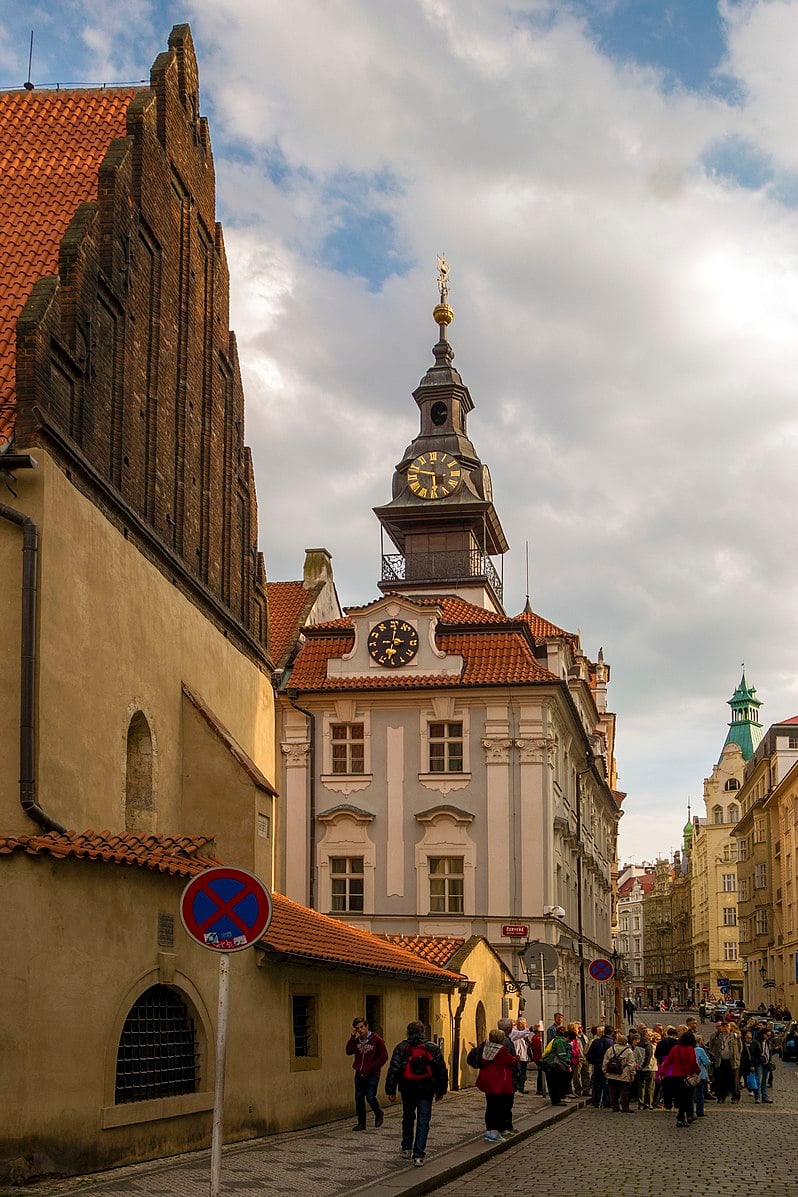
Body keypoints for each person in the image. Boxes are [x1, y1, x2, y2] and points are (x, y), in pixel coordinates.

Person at [385, 1020, 448, 1168]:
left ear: (408, 1032)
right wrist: (441, 1090)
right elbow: (441, 1071)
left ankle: (406, 1148)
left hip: (408, 1088)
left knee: (408, 1117)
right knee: (423, 1121)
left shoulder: (402, 1047)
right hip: (426, 1089)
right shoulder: (432, 1048)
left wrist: (390, 1090)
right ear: (423, 1032)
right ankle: (419, 1155)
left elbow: (393, 1069)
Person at [345, 1016, 389, 1131]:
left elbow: (384, 1056)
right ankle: (361, 1123)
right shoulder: (357, 1041)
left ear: (366, 1026)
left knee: (370, 1097)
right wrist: (352, 1037)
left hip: (372, 1074)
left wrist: (373, 1066)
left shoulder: (377, 1040)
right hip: (359, 1073)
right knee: (359, 1098)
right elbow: (349, 1051)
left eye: (361, 1027)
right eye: (357, 1028)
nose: (360, 1030)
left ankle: (378, 1113)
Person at [475, 1029, 519, 1141]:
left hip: (487, 1080)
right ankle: (495, 1133)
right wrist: (516, 1058)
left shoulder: (485, 1047)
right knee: (499, 1108)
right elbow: (511, 1061)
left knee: (490, 1107)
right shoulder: (501, 1050)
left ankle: (489, 1131)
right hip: (499, 1081)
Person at [657, 1030, 700, 1128]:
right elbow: (692, 1062)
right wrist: (697, 1071)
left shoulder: (675, 1048)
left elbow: (668, 1061)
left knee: (680, 1097)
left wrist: (662, 1072)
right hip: (686, 1076)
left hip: (675, 1076)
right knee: (687, 1097)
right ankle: (682, 1117)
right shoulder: (690, 1049)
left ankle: (686, 1116)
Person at [707, 1018, 741, 1103]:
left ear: (730, 1027)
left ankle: (735, 1097)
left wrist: (737, 1057)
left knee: (734, 1080)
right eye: (723, 1027)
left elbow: (740, 1047)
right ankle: (721, 1097)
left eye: (727, 1026)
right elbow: (711, 1047)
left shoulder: (734, 1036)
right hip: (721, 1060)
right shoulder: (717, 1037)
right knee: (721, 1080)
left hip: (732, 1061)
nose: (725, 1028)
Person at [539, 1024, 573, 1105]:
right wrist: (568, 1064)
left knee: (554, 1083)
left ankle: (556, 1098)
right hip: (552, 1065)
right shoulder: (560, 1041)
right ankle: (556, 1100)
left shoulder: (556, 1040)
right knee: (554, 1083)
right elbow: (561, 1055)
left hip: (551, 1064)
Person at [603, 1032, 637, 1112]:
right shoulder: (628, 1051)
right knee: (625, 1091)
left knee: (613, 1091)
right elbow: (631, 1064)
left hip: (612, 1074)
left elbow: (605, 1061)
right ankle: (625, 1107)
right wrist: (632, 1074)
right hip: (624, 1074)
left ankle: (615, 1106)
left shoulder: (611, 1049)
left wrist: (604, 1071)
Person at [587, 1025, 615, 1108]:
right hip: (609, 1066)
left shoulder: (596, 1042)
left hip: (598, 1065)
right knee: (608, 1084)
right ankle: (607, 1101)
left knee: (597, 1084)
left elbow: (590, 1055)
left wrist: (594, 1062)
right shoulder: (613, 1043)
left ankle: (596, 1101)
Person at [636, 1028, 657, 1110]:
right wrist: (643, 1065)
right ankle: (648, 1103)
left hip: (640, 1068)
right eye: (651, 1035)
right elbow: (648, 1057)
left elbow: (636, 1056)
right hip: (649, 1068)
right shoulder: (649, 1045)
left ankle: (641, 1102)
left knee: (641, 1086)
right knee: (650, 1086)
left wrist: (638, 1065)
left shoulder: (638, 1044)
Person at [509, 1018, 531, 1094]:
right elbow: (517, 1045)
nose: (523, 1025)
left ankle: (521, 1087)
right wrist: (517, 1054)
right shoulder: (516, 1033)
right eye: (520, 1024)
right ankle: (519, 1088)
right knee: (519, 1073)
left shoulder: (524, 1034)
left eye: (524, 1024)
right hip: (519, 1057)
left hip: (524, 1056)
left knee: (523, 1074)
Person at [694, 1035, 711, 1117]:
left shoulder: (690, 1049)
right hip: (701, 1074)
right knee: (700, 1093)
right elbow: (706, 1061)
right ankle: (699, 1110)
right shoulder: (700, 1050)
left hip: (690, 1075)